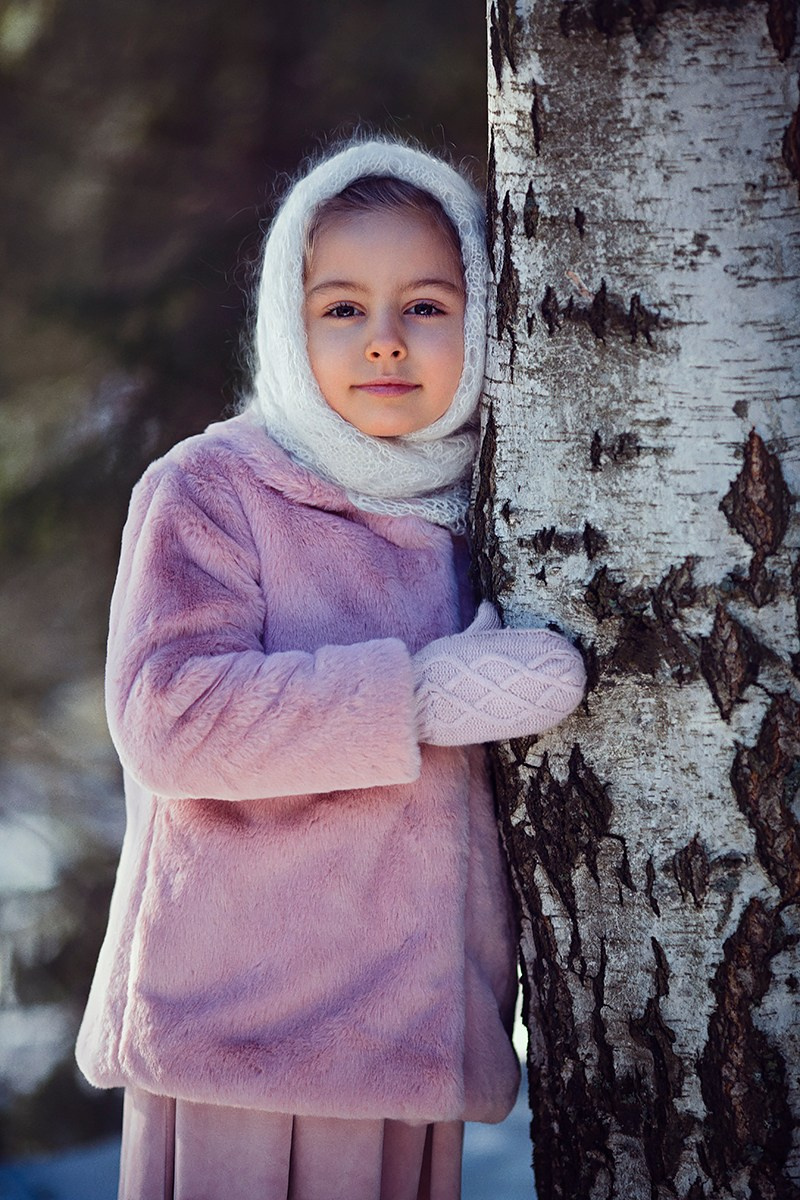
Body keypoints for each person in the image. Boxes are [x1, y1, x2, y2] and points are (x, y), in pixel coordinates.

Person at [75, 137, 586, 1200]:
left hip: (410, 1048)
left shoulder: (489, 510)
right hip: (241, 1045)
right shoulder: (216, 488)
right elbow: (168, 717)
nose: (387, 342)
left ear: (485, 321)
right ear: (285, 320)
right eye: (344, 309)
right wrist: (421, 694)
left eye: (428, 307)